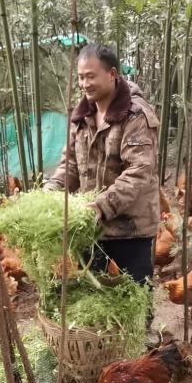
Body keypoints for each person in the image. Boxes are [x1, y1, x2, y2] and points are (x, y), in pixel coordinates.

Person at [44, 43, 159, 285]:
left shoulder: (135, 115)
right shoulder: (81, 117)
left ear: (112, 74)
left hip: (130, 230)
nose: (85, 83)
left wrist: (99, 207)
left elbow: (139, 172)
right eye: (80, 77)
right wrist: (49, 193)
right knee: (95, 300)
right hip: (91, 230)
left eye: (91, 76)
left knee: (133, 300)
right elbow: (71, 165)